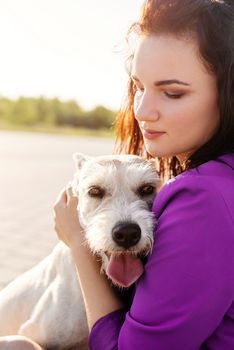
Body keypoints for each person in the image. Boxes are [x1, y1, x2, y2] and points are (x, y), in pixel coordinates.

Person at [0, 0, 234, 349]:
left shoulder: (205, 196)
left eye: (172, 92)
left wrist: (77, 242)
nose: (141, 111)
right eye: (139, 86)